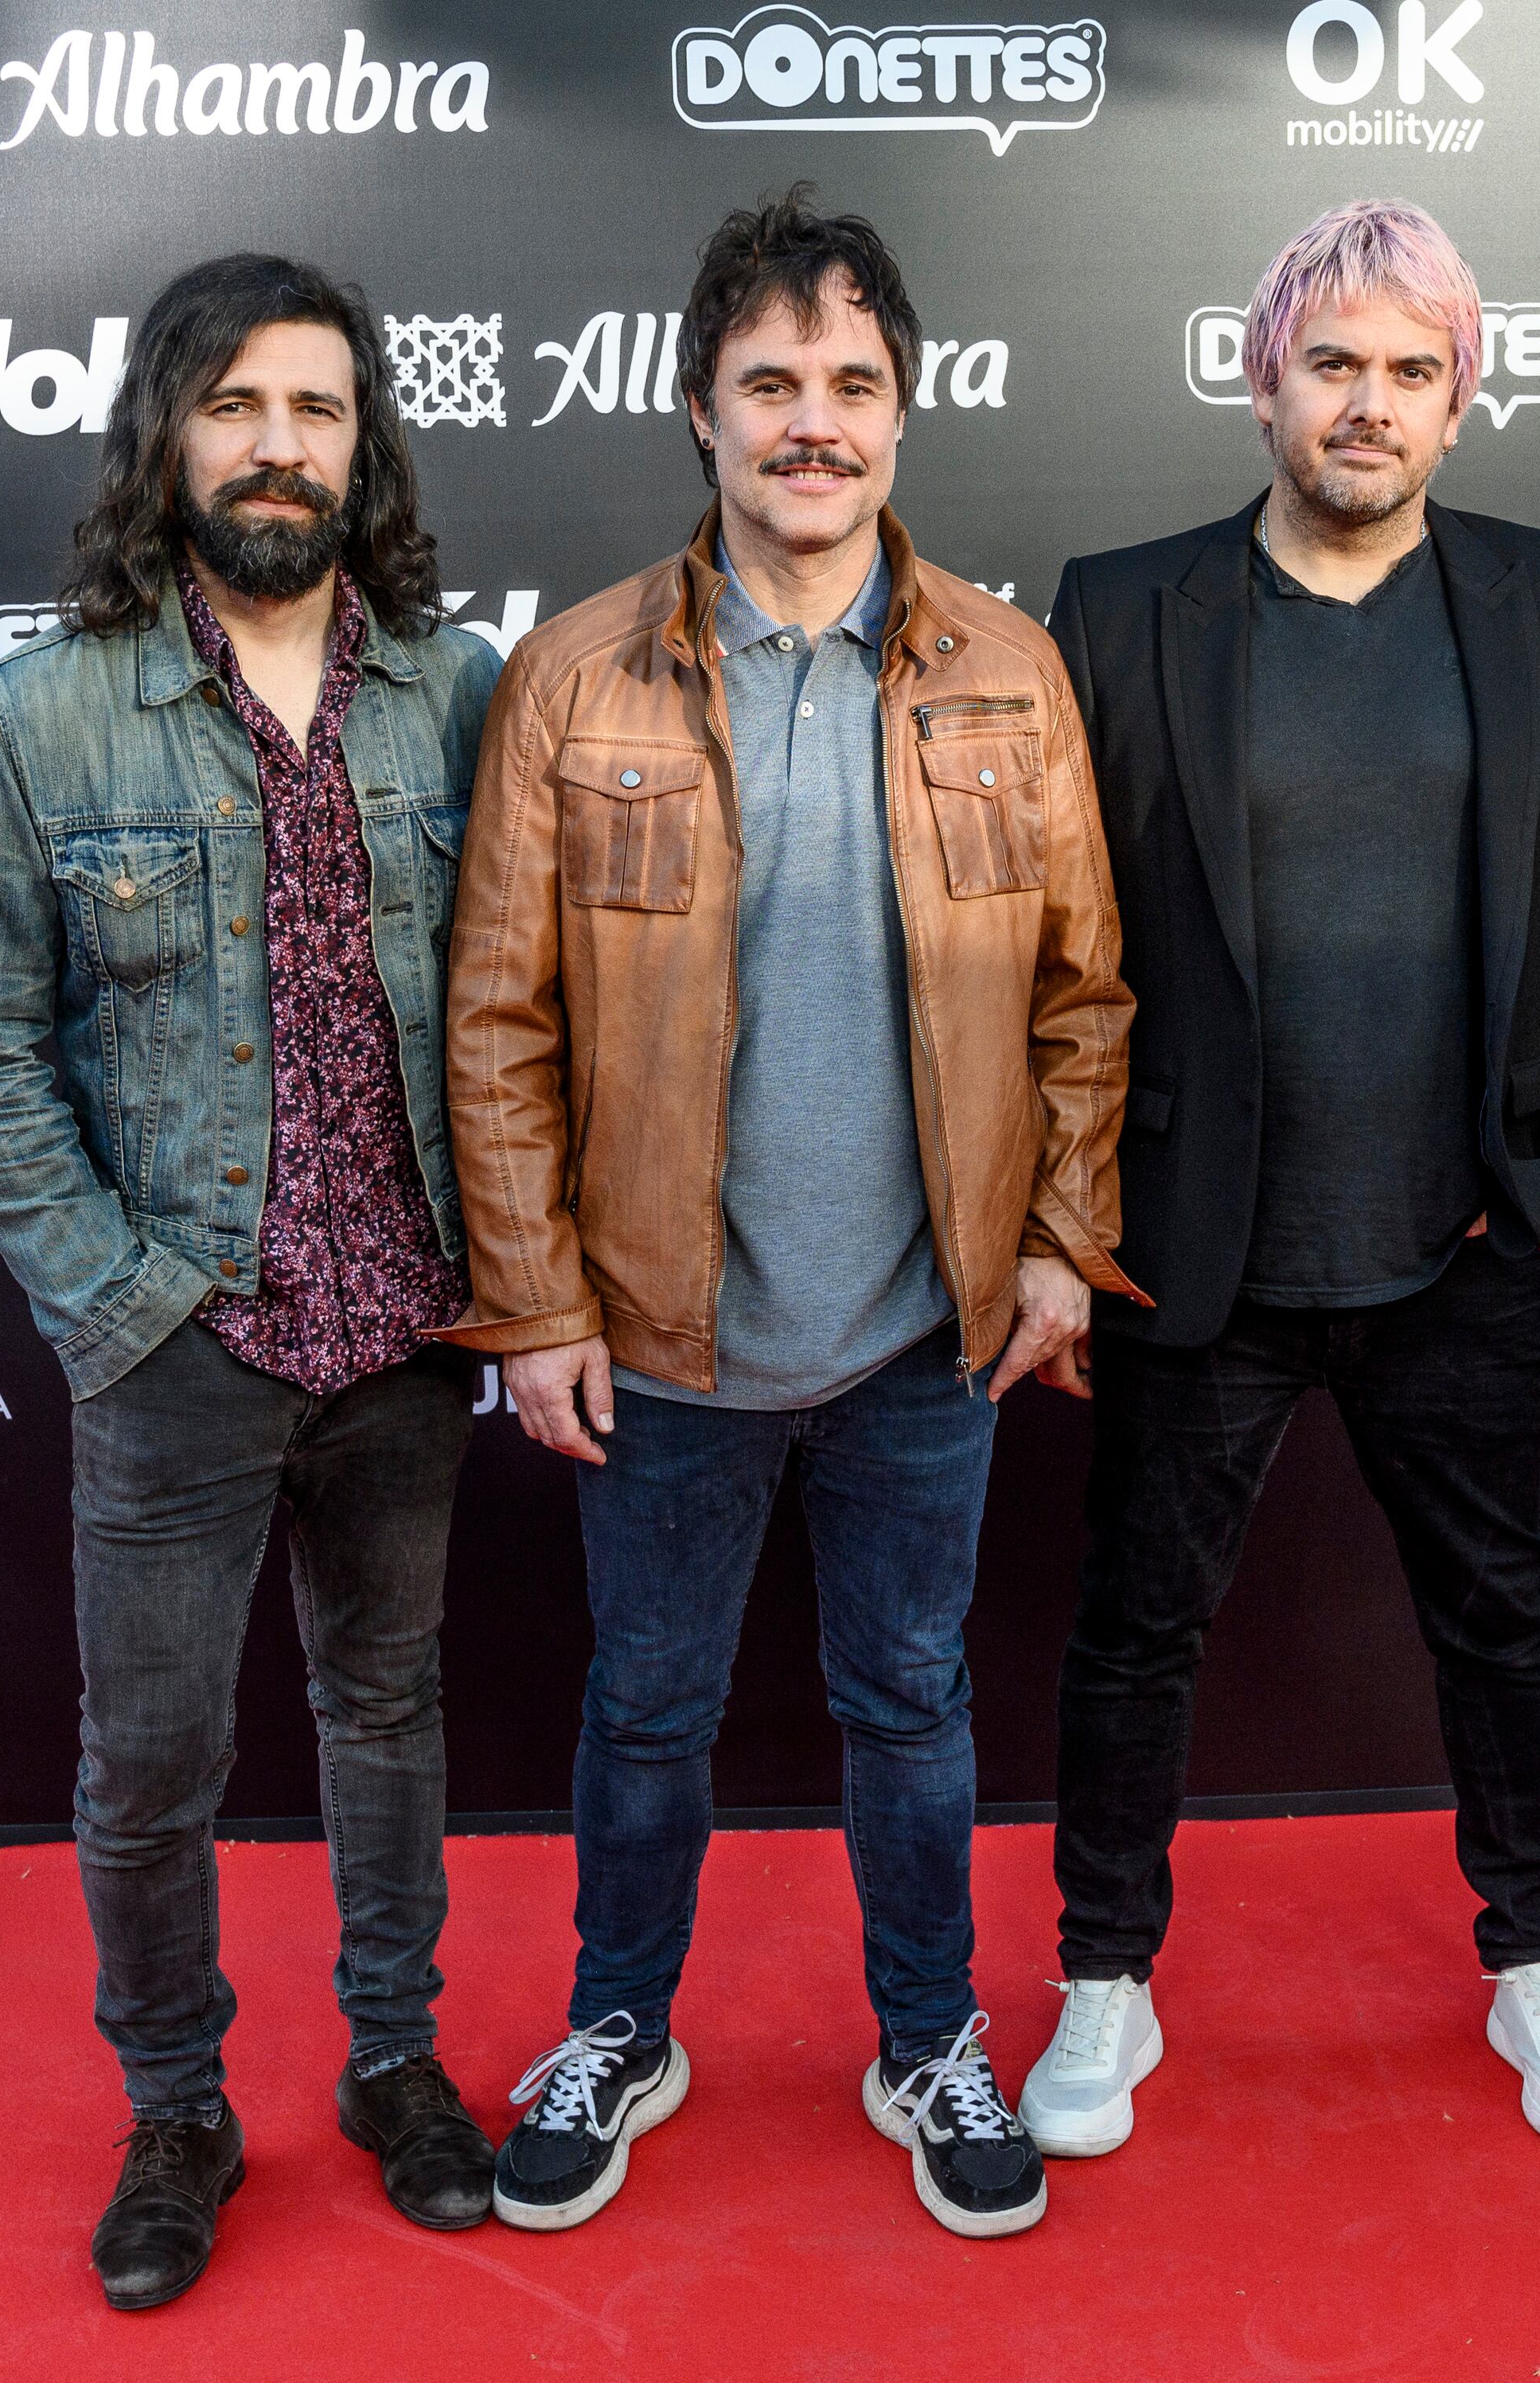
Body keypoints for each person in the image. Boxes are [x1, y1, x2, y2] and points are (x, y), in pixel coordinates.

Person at [439, 188, 1136, 2241]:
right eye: (770, 385)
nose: (810, 423)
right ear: (698, 413)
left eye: (850, 386)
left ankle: (928, 2038)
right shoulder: (574, 681)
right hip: (659, 1336)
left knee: (910, 1699)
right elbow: (499, 1019)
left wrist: (1045, 1248)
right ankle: (617, 2027)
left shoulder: (1010, 673)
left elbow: (1086, 996)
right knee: (644, 1708)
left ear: (904, 419)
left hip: (930, 1329)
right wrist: (538, 1303)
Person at [1026, 198, 1540, 2159]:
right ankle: (1104, 1984)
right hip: (1190, 1247)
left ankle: (1538, 1961)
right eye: (1335, 365)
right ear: (1261, 379)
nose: (1368, 405)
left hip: (1460, 1228)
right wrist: (1061, 1213)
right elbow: (1064, 937)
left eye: (1411, 371)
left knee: (1504, 1617)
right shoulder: (1123, 607)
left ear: (1461, 399)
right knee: (1136, 1623)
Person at [0, 254, 504, 2308]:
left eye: (320, 409)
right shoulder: (41, 714)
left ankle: (395, 2061)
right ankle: (176, 2104)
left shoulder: (459, 693)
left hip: (411, 1330)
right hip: (177, 1333)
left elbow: (529, 1009)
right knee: (150, 1766)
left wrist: (505, 1275)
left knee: (388, 1714)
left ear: (367, 444)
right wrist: (111, 1295)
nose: (281, 446)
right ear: (169, 432)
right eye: (240, 405)